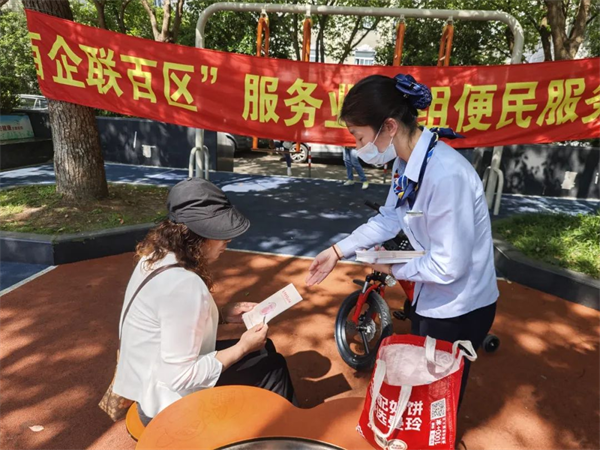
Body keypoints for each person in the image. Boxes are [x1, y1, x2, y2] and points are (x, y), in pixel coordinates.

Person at [306, 74, 498, 407]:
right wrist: (337, 250)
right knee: (425, 383)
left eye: (359, 137)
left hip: (459, 306)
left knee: (438, 397)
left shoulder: (445, 175)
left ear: (390, 126)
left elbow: (448, 266)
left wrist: (392, 267)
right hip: (432, 295)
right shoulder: (406, 162)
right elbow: (390, 217)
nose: (358, 147)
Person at [113, 178, 295, 426]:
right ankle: (276, 435)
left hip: (150, 383)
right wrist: (242, 347)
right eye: (219, 233)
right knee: (274, 368)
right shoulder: (184, 286)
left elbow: (169, 320)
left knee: (265, 348)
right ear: (195, 236)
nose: (227, 240)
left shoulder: (154, 256)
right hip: (166, 407)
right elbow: (181, 377)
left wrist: (221, 315)